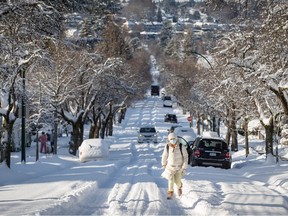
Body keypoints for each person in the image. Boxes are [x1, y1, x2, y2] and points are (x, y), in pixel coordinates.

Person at [161, 132, 188, 199]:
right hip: (170, 167)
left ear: (176, 139)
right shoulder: (167, 146)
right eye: (171, 139)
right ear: (169, 140)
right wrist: (163, 163)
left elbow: (185, 157)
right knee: (171, 180)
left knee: (177, 181)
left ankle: (179, 186)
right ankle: (170, 193)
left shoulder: (181, 146)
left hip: (179, 167)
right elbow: (164, 155)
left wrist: (184, 166)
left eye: (174, 139)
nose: (173, 140)